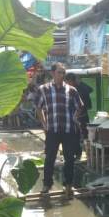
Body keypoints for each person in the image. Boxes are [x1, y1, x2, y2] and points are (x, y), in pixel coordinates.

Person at [35, 63, 84, 196]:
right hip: (52, 130)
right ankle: (47, 184)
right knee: (50, 158)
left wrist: (74, 117)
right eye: (59, 72)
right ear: (52, 73)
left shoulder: (71, 90)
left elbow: (80, 106)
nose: (62, 75)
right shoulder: (43, 89)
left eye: (63, 73)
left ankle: (68, 185)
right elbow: (38, 107)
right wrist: (44, 124)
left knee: (69, 158)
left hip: (68, 130)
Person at [65, 73, 93, 160]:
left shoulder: (78, 88)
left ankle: (86, 154)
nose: (66, 83)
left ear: (71, 80)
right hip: (75, 116)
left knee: (84, 136)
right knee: (75, 136)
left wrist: (79, 83)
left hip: (81, 116)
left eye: (67, 81)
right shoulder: (70, 89)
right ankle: (77, 154)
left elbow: (90, 89)